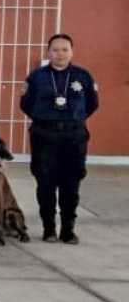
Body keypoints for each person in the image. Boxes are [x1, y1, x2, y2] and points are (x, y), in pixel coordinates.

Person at [20, 33, 99, 244]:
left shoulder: (83, 76)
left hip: (73, 136)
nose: (60, 54)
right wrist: (47, 119)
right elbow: (26, 103)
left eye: (65, 49)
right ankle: (49, 229)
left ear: (72, 52)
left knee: (71, 183)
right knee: (45, 182)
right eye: (55, 50)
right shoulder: (36, 77)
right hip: (45, 135)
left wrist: (73, 119)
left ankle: (68, 230)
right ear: (49, 52)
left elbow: (92, 103)